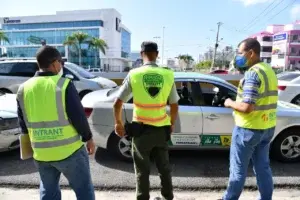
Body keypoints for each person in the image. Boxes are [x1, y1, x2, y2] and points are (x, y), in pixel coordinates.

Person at [16, 45, 96, 200]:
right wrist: (89, 138)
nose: (62, 66)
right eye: (61, 62)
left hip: (41, 153)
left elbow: (23, 123)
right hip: (70, 151)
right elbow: (78, 117)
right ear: (54, 63)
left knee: (48, 191)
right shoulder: (63, 85)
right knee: (84, 190)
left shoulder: (23, 89)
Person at [113, 41, 179, 200]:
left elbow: (117, 103)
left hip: (141, 133)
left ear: (142, 54)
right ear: (156, 54)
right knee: (164, 169)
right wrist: (171, 124)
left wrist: (118, 123)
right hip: (161, 131)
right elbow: (175, 105)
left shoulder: (134, 74)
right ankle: (167, 197)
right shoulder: (168, 74)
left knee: (142, 171)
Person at [220, 38, 278, 200]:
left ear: (251, 53)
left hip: (248, 128)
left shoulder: (253, 73)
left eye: (240, 53)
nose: (237, 57)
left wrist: (230, 102)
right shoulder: (268, 70)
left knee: (238, 171)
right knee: (263, 168)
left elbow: (247, 107)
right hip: (267, 127)